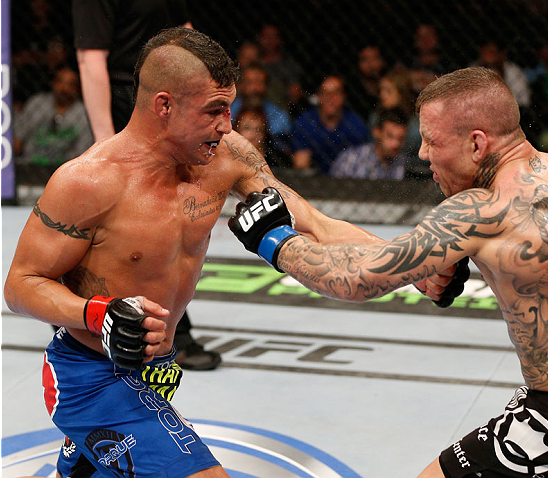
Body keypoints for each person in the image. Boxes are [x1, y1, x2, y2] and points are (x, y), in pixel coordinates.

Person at [230, 67, 548, 477]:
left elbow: (356, 280)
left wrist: (275, 242)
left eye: (432, 140)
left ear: (476, 143)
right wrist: (290, 208)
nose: (424, 153)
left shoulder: (482, 209)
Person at [3, 27, 404, 478]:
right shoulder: (88, 182)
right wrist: (99, 314)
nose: (227, 125)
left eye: (228, 108)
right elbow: (19, 286)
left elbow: (315, 224)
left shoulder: (226, 155)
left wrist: (413, 265)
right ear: (164, 105)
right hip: (91, 376)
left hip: (158, 368)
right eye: (213, 110)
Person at [72, 0, 218, 370]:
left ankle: (167, 330)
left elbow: (185, 37)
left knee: (173, 215)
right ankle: (102, 319)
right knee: (129, 224)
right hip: (128, 103)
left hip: (171, 105)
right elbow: (91, 59)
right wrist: (106, 141)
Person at [13, 67, 93, 176]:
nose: (63, 88)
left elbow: (83, 156)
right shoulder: (37, 103)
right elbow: (17, 141)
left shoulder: (83, 113)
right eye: (60, 82)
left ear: (77, 89)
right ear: (53, 83)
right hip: (30, 165)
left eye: (70, 84)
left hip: (65, 172)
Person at [291, 75, 369, 173]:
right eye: (325, 93)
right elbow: (300, 164)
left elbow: (362, 163)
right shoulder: (304, 123)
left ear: (343, 96)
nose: (330, 98)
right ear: (318, 96)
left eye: (336, 93)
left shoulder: (356, 125)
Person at [330, 107, 410, 180]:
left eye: (401, 138)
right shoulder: (351, 159)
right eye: (390, 136)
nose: (395, 144)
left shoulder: (405, 165)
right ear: (377, 132)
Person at [472, 39, 532, 108]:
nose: (487, 57)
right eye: (485, 53)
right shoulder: (472, 69)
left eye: (491, 53)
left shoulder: (514, 72)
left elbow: (523, 102)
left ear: (502, 54)